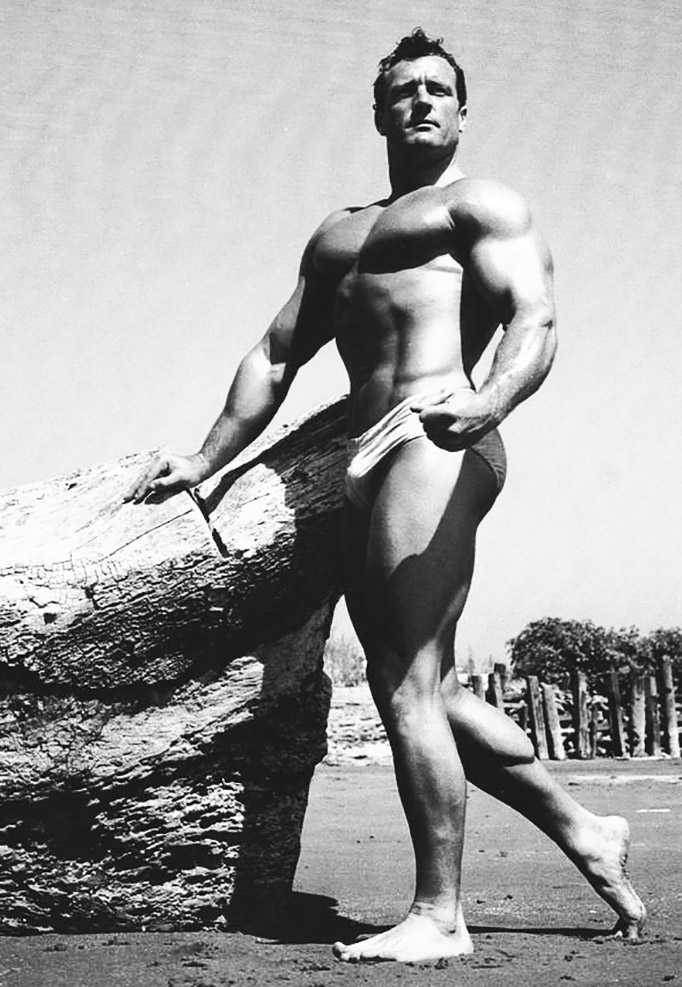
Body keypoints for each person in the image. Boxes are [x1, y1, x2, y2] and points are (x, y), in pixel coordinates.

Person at [126, 28, 645, 964]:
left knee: (403, 680)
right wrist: (206, 460)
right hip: (361, 450)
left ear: (460, 109)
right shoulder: (337, 234)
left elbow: (535, 316)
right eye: (403, 91)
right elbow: (277, 354)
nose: (421, 103)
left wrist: (485, 400)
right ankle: (582, 828)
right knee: (427, 684)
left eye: (439, 90)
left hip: (437, 433)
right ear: (378, 111)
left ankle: (441, 916)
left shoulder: (480, 206)